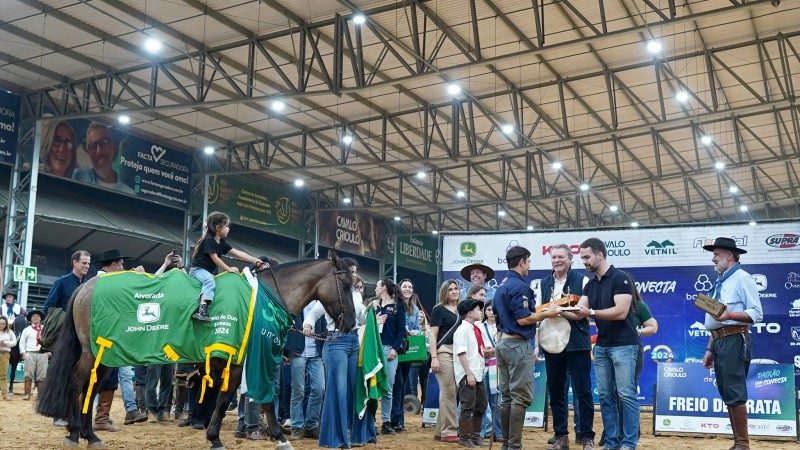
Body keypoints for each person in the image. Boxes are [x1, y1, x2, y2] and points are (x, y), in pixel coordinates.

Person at [573, 238, 639, 450]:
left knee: (626, 395)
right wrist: (555, 310)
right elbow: (579, 311)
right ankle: (611, 442)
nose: (584, 261)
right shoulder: (590, 285)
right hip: (602, 347)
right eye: (582, 257)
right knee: (605, 396)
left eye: (587, 257)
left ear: (599, 254)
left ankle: (629, 443)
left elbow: (621, 312)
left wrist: (591, 312)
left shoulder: (621, 278)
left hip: (624, 344)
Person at [493, 245, 560, 450]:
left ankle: (507, 444)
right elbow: (523, 319)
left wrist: (540, 311)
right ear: (521, 261)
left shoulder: (502, 285)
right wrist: (547, 314)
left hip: (502, 343)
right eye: (529, 262)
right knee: (520, 397)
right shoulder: (520, 286)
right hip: (516, 344)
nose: (529, 266)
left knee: (507, 396)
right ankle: (514, 446)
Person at [701, 237, 763, 450]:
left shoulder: (742, 278)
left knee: (734, 391)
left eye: (716, 254)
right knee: (727, 391)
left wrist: (730, 315)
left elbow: (756, 313)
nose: (713, 259)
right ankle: (738, 443)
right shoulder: (721, 281)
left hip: (734, 338)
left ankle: (742, 444)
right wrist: (710, 348)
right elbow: (716, 320)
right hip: (719, 340)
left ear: (729, 255)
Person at [303, 257, 366, 448]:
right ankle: (336, 438)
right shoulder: (331, 292)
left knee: (354, 388)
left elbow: (361, 318)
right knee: (338, 389)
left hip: (354, 341)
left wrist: (372, 315)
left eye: (355, 271)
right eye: (350, 271)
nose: (353, 275)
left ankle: (353, 435)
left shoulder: (356, 295)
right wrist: (308, 324)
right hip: (336, 342)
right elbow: (314, 313)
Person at [537, 244, 594, 450]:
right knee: (556, 392)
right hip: (552, 344)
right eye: (554, 257)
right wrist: (537, 344)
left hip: (577, 343)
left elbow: (584, 312)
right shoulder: (543, 283)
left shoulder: (583, 280)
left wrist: (559, 310)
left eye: (561, 257)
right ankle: (561, 435)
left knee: (583, 391)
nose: (557, 260)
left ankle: (586, 436)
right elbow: (539, 314)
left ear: (570, 260)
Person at [189, 211, 266, 321]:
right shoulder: (208, 240)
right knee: (209, 281)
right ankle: (202, 310)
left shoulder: (222, 242)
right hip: (197, 270)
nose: (229, 229)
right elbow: (215, 258)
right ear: (218, 227)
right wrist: (228, 268)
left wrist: (254, 260)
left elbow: (238, 253)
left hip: (208, 272)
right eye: (226, 226)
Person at [285, 300, 325, 440]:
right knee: (298, 390)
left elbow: (325, 326)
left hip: (316, 352)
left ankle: (311, 425)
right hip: (297, 352)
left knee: (320, 389)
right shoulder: (297, 301)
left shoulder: (321, 304)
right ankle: (297, 426)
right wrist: (286, 351)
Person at [371, 278, 406, 435]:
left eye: (377, 286)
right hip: (374, 350)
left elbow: (401, 330)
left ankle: (386, 421)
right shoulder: (373, 306)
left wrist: (395, 348)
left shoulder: (398, 307)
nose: (375, 289)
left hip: (389, 350)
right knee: (372, 386)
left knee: (388, 387)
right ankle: (371, 421)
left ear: (384, 287)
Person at [453, 297, 488, 448]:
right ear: (469, 313)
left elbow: (475, 351)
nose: (480, 312)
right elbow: (461, 353)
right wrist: (468, 373)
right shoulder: (462, 330)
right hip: (467, 374)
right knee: (468, 405)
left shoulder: (475, 329)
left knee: (481, 404)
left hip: (477, 373)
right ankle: (464, 437)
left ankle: (474, 435)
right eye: (478, 309)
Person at [430, 279, 461, 443]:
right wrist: (434, 357)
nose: (454, 291)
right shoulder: (439, 309)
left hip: (459, 352)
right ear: (445, 292)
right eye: (450, 289)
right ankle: (449, 431)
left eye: (456, 288)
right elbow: (433, 335)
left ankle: (439, 431)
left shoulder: (462, 310)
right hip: (443, 351)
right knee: (449, 390)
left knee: (452, 390)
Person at [390, 278, 421, 432]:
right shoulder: (394, 306)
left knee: (402, 386)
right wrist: (405, 330)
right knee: (397, 383)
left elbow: (417, 328)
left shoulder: (415, 309)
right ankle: (394, 419)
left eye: (410, 287)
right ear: (399, 289)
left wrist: (414, 331)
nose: (407, 289)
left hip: (407, 350)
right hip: (395, 348)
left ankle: (399, 420)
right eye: (404, 286)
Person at [72, 122, 135, 193]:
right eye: (93, 147)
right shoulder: (78, 175)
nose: (99, 152)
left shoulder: (128, 193)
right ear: (89, 154)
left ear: (112, 147)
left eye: (103, 143)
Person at [479, 298, 502, 443]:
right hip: (482, 366)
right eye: (488, 309)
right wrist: (484, 351)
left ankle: (497, 433)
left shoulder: (503, 326)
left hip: (498, 367)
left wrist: (494, 350)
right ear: (484, 312)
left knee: (496, 403)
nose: (492, 312)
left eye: (494, 309)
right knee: (482, 402)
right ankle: (480, 434)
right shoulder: (480, 327)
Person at [19, 310, 46, 402]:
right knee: (28, 374)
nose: (36, 317)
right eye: (34, 316)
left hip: (42, 354)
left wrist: (49, 352)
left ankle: (40, 395)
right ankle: (27, 393)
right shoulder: (26, 330)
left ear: (40, 318)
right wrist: (23, 353)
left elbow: (50, 340)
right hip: (30, 353)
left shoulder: (45, 329)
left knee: (42, 375)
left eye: (38, 316)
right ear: (30, 319)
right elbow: (22, 342)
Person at [0, 316, 17, 400]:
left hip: (5, 354)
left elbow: (14, 342)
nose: (2, 325)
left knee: (3, 375)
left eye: (3, 324)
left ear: (6, 324)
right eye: (0, 323)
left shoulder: (10, 332)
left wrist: (6, 343)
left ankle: (5, 395)